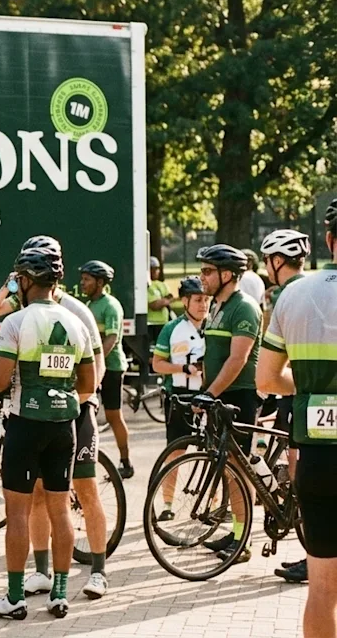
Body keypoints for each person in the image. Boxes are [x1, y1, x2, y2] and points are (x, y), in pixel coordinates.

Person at [0, 236, 111, 599]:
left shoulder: (24, 320)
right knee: (53, 503)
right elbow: (87, 377)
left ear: (25, 278)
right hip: (65, 418)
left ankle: (19, 596)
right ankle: (55, 588)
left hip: (45, 418)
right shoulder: (72, 320)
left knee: (65, 497)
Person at [256, 199, 337, 638]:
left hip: (318, 456)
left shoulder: (294, 294)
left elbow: (267, 379)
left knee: (322, 589)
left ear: (329, 240)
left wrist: (308, 388)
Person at [195, 244, 262, 564]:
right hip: (219, 394)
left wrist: (210, 394)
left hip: (239, 395)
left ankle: (243, 538)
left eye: (207, 271)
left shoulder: (244, 307)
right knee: (228, 467)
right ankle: (237, 530)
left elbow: (238, 359)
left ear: (227, 275)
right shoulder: (217, 307)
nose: (201, 277)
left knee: (239, 468)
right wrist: (205, 392)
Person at [256, 229, 312, 583]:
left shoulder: (290, 296)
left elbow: (274, 360)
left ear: (277, 261)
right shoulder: (310, 290)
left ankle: (314, 553)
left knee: (303, 475)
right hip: (302, 393)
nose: (265, 267)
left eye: (267, 261)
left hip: (297, 393)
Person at [150, 276, 208, 519]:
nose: (203, 305)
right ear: (184, 301)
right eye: (197, 300)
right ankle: (167, 505)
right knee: (176, 453)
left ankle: (213, 503)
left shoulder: (214, 326)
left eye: (206, 300)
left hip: (209, 397)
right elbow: (157, 364)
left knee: (212, 453)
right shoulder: (171, 329)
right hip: (181, 397)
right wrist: (183, 369)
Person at [79, 260, 131, 478]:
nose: (82, 283)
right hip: (95, 367)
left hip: (111, 368)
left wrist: (96, 364)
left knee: (113, 415)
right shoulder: (90, 306)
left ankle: (126, 462)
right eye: (82, 279)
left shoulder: (110, 306)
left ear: (99, 282)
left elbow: (111, 339)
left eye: (87, 279)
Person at [148, 256, 175, 341]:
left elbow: (171, 297)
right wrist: (165, 300)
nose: (156, 271)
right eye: (153, 268)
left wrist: (162, 301)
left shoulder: (162, 284)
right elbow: (154, 305)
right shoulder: (147, 285)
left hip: (164, 322)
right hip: (152, 324)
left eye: (157, 268)